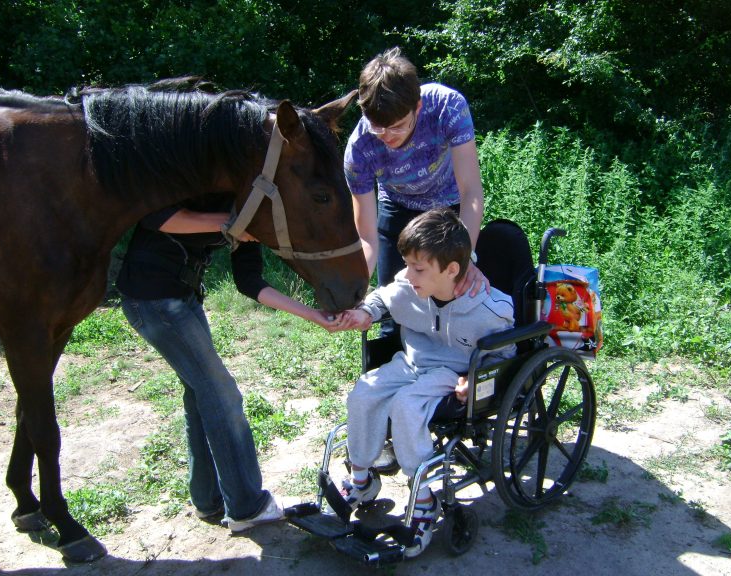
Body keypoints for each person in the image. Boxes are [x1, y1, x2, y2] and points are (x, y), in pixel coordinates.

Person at [116, 194, 340, 533]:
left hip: (182, 297)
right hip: (154, 301)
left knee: (199, 396)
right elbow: (154, 214)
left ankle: (209, 500)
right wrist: (234, 222)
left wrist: (312, 314)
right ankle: (247, 507)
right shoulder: (217, 184)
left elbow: (249, 281)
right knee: (222, 395)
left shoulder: (258, 217)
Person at [336, 208, 516, 557]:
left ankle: (425, 499)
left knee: (406, 407)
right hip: (411, 363)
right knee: (363, 393)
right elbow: (382, 297)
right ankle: (362, 478)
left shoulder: (490, 310)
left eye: (418, 268)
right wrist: (365, 313)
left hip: (452, 374)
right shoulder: (408, 286)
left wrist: (475, 380)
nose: (407, 273)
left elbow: (506, 356)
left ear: (450, 270)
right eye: (407, 264)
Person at [344, 46, 488, 299]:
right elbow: (367, 238)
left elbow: (471, 191)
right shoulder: (358, 150)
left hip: (450, 208)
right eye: (378, 127)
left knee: (454, 294)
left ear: (418, 107)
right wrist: (352, 292)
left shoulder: (447, 106)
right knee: (395, 304)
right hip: (397, 207)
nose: (387, 137)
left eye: (398, 127)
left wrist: (467, 259)